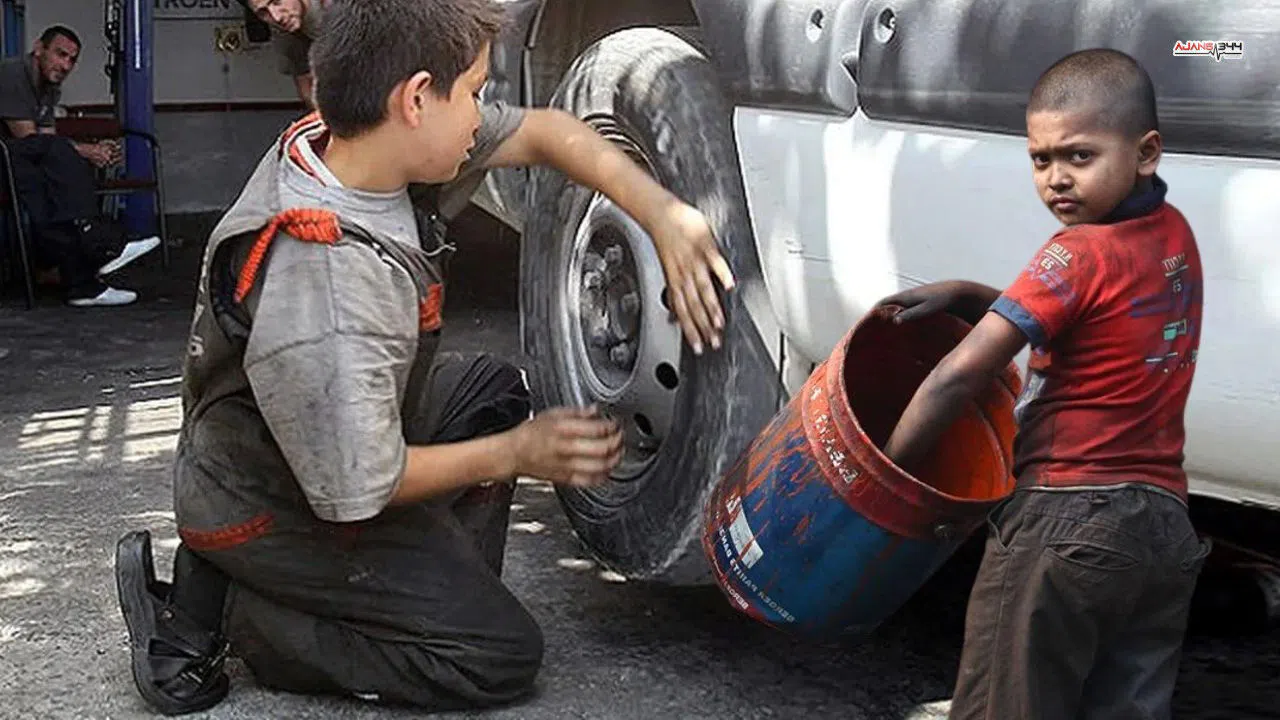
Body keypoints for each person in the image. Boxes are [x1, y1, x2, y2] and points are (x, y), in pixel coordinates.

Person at [113, 0, 735, 715]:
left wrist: (665, 213)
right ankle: (228, 611)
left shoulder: (361, 149)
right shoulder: (324, 280)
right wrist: (516, 455)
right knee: (492, 657)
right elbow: (359, 488)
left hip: (309, 436)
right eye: (474, 92)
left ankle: (402, 592)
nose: (482, 112)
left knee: (491, 390)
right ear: (414, 99)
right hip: (267, 502)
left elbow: (547, 132)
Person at [876, 48, 1210, 720]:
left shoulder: (1075, 253)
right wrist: (975, 295)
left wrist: (884, 480)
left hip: (1066, 521)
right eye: (1040, 160)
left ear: (1145, 153)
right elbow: (1100, 317)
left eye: (1078, 157)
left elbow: (958, 377)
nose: (1056, 179)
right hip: (1162, 530)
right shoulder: (1172, 237)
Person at [0, 25, 160, 306]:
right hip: (7, 160)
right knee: (57, 164)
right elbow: (27, 138)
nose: (65, 65)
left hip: (20, 167)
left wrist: (86, 154)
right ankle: (103, 246)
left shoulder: (49, 87)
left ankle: (80, 282)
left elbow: (46, 140)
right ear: (39, 49)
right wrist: (87, 150)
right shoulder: (14, 73)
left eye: (72, 60)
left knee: (56, 179)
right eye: (60, 54)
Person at [238, 0, 327, 108]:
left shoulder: (339, 6)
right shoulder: (282, 26)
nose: (276, 17)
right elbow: (307, 88)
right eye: (263, 12)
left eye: (276, 1)